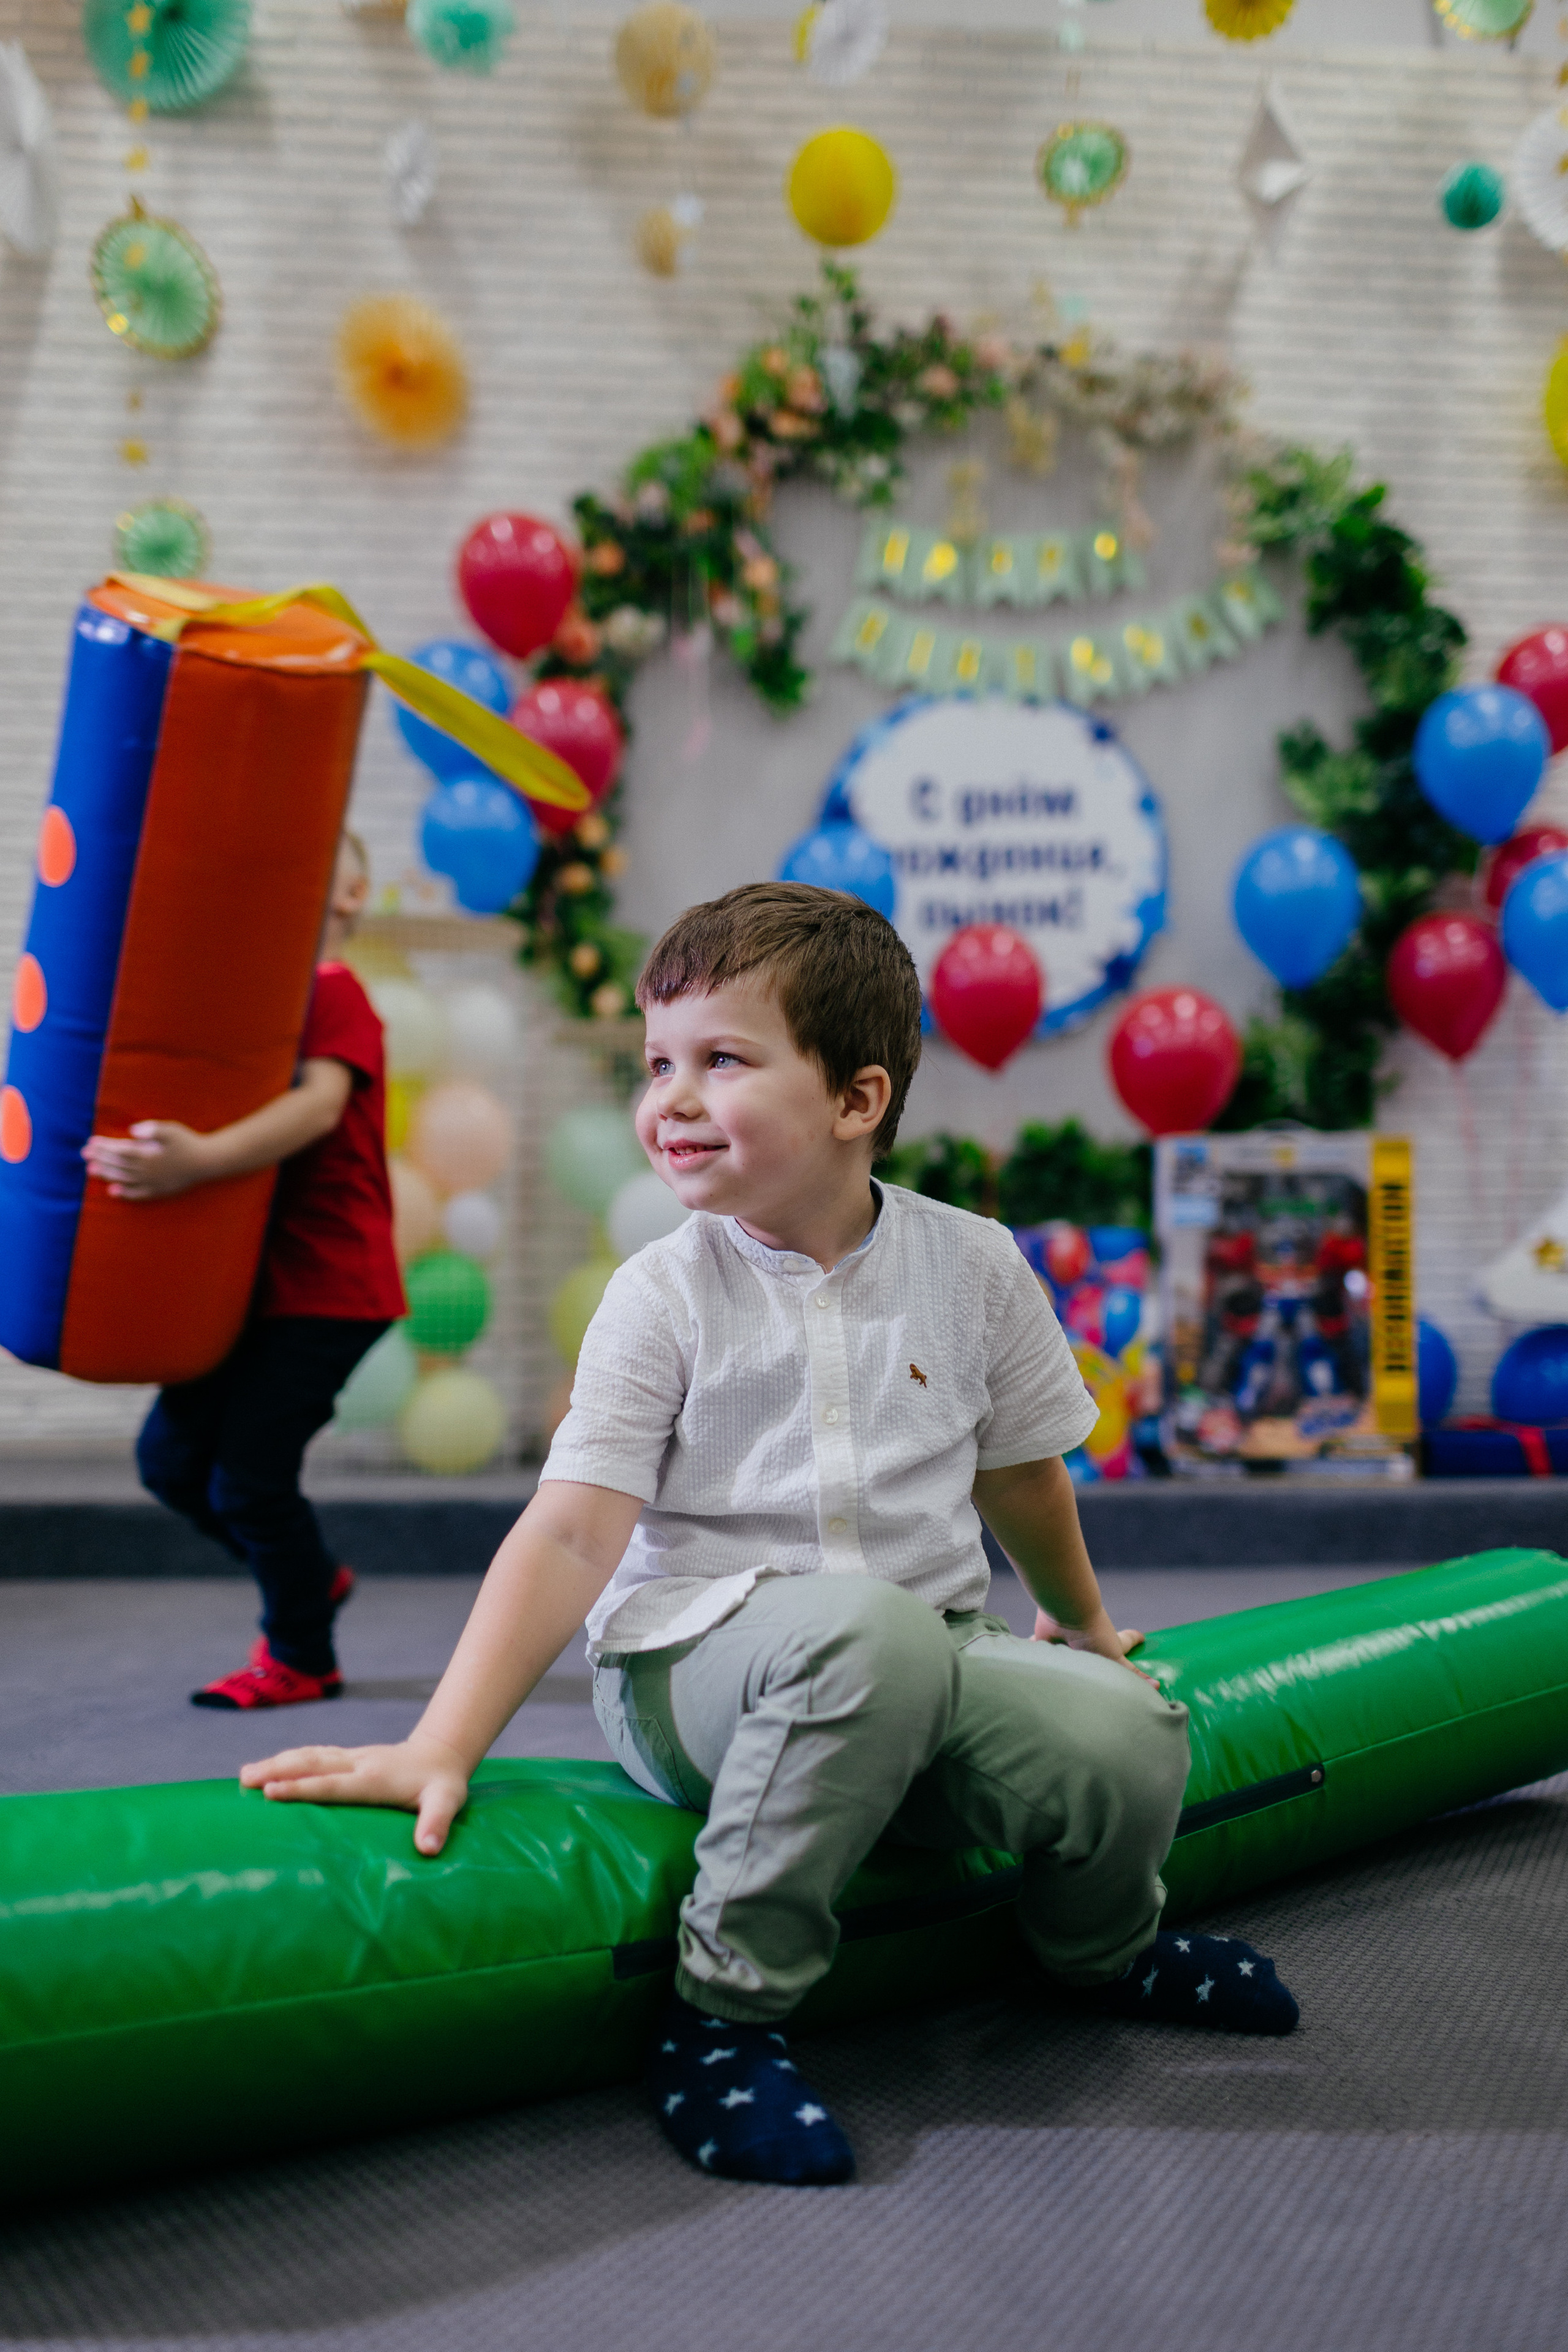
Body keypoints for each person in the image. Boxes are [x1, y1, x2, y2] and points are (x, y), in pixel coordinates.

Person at [241, 882, 1297, 2186]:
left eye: (720, 1061)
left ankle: (1096, 1950)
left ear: (855, 1101)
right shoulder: (660, 1296)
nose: (669, 1099)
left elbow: (1019, 1475)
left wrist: (1080, 1629)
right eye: (656, 1065)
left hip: (924, 1647)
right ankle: (722, 2017)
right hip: (695, 1668)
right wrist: (437, 1743)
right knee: (869, 1642)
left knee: (1126, 1731)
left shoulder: (971, 1268)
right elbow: (571, 1533)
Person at [84, 832, 405, 1710]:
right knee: (170, 1463)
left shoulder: (335, 994)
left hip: (332, 1287)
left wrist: (199, 1160)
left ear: (351, 896)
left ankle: (302, 1651)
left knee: (248, 1478)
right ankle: (309, 1577)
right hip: (260, 1287)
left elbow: (319, 1104)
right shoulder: (263, 1013)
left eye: (319, 866)